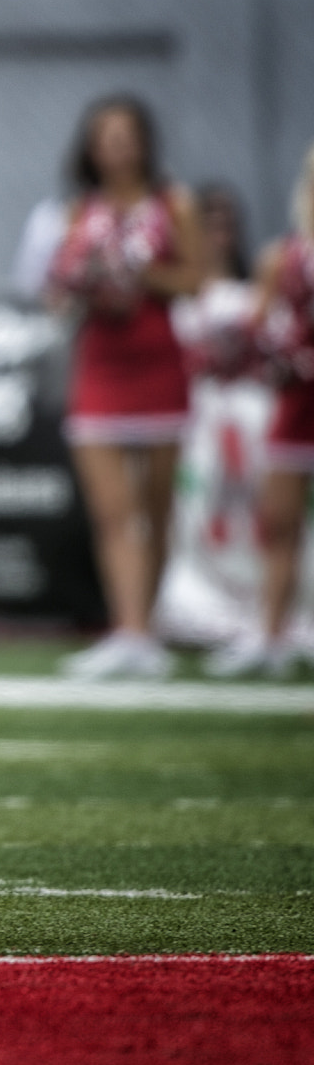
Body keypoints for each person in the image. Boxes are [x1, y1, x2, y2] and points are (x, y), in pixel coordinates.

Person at [46, 95, 204, 680]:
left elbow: (198, 278)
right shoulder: (77, 213)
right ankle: (128, 631)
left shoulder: (173, 203)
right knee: (113, 512)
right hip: (101, 371)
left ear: (144, 141)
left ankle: (149, 627)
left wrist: (140, 273)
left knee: (157, 508)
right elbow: (55, 295)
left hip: (160, 366)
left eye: (126, 133)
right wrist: (82, 276)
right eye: (104, 135)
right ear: (90, 147)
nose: (116, 144)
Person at [231, 144, 314, 678]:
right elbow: (254, 331)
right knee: (278, 520)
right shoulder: (283, 256)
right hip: (296, 403)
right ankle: (270, 632)